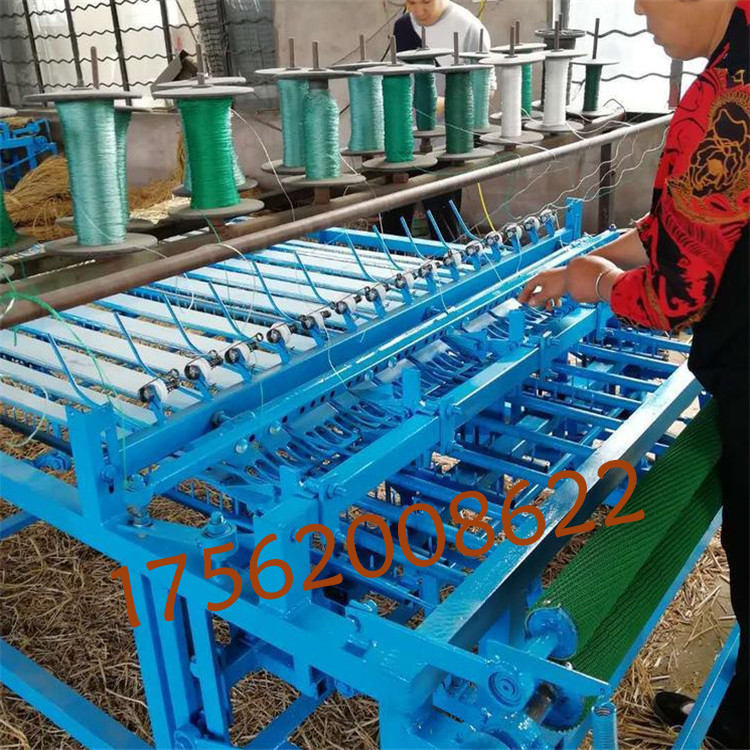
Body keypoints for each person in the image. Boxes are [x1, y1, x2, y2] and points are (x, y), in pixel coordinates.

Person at [520, 1, 749, 746]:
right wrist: (599, 256)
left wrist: (596, 284)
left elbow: (679, 293)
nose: (638, 6)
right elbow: (686, 226)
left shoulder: (730, 100)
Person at [381, 0, 494, 242]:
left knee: (442, 221)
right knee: (393, 218)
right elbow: (399, 80)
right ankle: (392, 262)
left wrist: (442, 104)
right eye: (411, 2)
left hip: (447, 143)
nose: (418, 11)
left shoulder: (469, 27)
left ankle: (447, 263)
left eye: (426, 2)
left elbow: (485, 88)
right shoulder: (403, 27)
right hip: (404, 142)